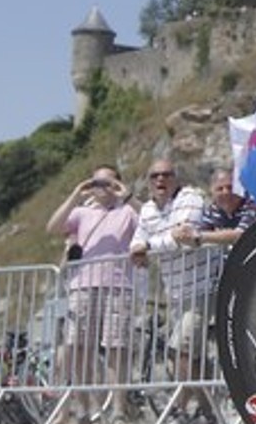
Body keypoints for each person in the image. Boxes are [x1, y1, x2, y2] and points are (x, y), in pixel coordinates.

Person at [45, 164, 139, 418]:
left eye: (108, 182)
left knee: (115, 348)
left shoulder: (128, 210)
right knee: (78, 347)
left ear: (117, 183)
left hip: (118, 285)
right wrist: (77, 192)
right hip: (82, 286)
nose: (102, 187)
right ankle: (89, 407)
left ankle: (118, 411)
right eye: (97, 182)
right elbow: (53, 227)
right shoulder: (82, 212)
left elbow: (149, 223)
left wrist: (125, 194)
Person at [129, 159, 217, 423]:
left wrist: (150, 245)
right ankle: (206, 409)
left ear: (175, 178)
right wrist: (145, 246)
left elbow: (185, 237)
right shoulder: (146, 210)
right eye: (154, 176)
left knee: (180, 352)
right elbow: (137, 242)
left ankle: (191, 411)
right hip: (176, 293)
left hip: (203, 287)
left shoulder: (190, 198)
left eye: (166, 174)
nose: (160, 180)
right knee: (182, 359)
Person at [173, 169, 256, 248]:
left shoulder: (252, 204)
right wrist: (183, 234)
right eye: (220, 189)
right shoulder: (213, 210)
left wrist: (200, 237)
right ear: (212, 192)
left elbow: (239, 235)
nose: (226, 192)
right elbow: (198, 234)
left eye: (230, 187)